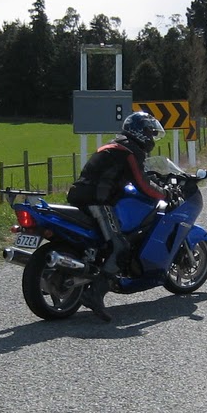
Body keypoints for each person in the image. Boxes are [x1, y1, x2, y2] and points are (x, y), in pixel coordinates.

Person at [65, 112, 167, 320]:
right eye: (149, 131)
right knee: (120, 246)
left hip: (80, 194)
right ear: (139, 131)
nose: (151, 136)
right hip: (97, 200)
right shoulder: (130, 151)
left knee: (100, 240)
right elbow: (143, 184)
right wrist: (165, 193)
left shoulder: (114, 145)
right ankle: (95, 293)